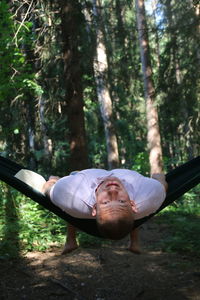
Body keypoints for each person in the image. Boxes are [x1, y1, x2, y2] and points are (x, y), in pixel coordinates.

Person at [42, 168, 168, 254]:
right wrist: (159, 176)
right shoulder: (149, 196)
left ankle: (70, 240)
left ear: (95, 208)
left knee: (70, 207)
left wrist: (52, 181)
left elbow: (48, 190)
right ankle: (135, 241)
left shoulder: (71, 194)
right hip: (129, 189)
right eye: (121, 201)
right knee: (127, 215)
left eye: (106, 202)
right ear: (133, 204)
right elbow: (162, 184)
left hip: (82, 183)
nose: (112, 191)